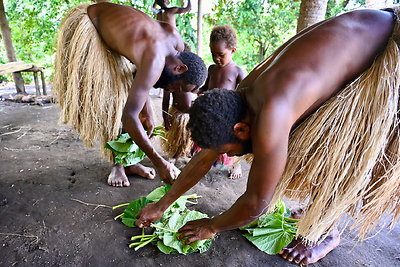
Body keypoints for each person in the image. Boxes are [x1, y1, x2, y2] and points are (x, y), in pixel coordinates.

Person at [136, 8, 400, 265]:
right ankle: (316, 213)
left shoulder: (272, 113)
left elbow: (255, 205)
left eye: (226, 150)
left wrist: (212, 226)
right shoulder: (242, 96)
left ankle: (327, 230)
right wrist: (162, 205)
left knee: (337, 152)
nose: (227, 156)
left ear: (240, 129)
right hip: (367, 32)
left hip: (388, 46)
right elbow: (204, 159)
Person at [53, 2, 207, 187]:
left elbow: (138, 73)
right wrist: (160, 163)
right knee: (114, 102)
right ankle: (118, 165)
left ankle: (129, 162)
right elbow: (129, 116)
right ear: (180, 68)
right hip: (91, 24)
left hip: (114, 28)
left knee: (134, 103)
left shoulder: (175, 41)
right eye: (178, 87)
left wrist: (148, 110)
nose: (172, 91)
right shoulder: (155, 61)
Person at [195, 25, 246, 179]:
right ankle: (204, 160)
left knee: (231, 140)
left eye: (220, 54)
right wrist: (196, 92)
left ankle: (236, 165)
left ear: (233, 51)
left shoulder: (237, 71)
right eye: (213, 54)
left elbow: (244, 93)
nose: (216, 58)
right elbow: (205, 88)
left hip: (228, 114)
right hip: (210, 112)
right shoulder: (212, 69)